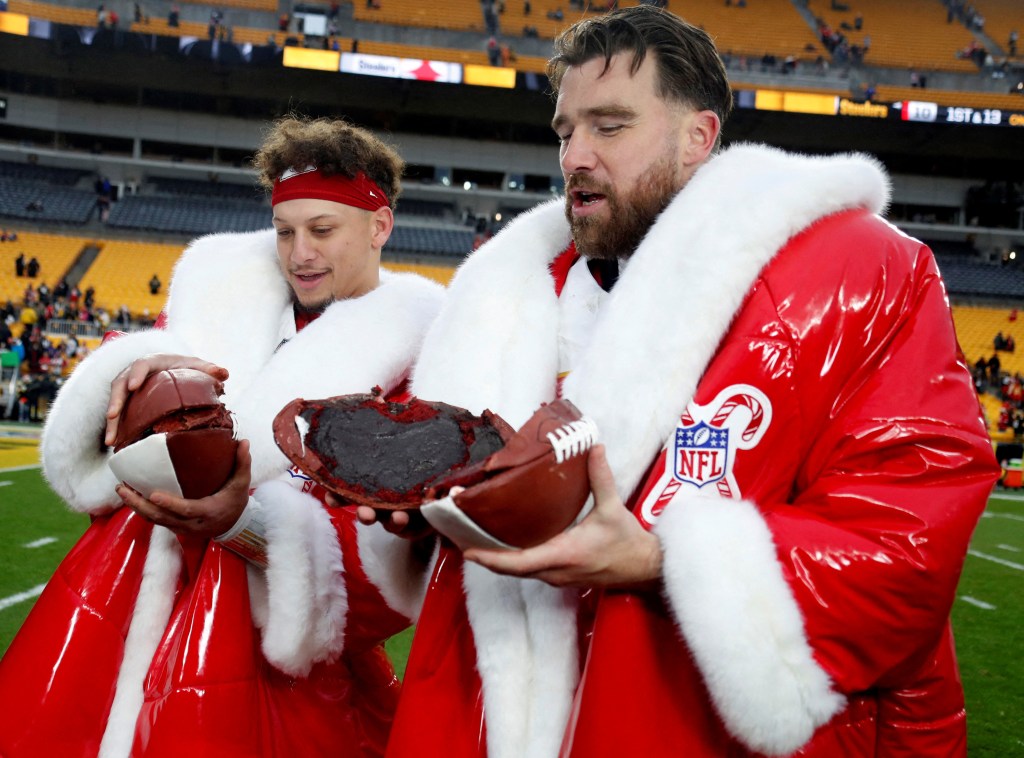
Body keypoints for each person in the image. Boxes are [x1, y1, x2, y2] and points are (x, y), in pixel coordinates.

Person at [383, 7, 999, 757]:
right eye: (564, 130)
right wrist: (420, 516)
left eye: (609, 126)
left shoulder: (853, 276)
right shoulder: (503, 298)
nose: (575, 155)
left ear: (698, 137)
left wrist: (664, 563)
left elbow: (908, 543)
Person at [0, 116, 444, 756]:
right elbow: (116, 421)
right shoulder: (212, 301)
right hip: (125, 589)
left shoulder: (420, 362)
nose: (300, 253)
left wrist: (245, 523)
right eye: (286, 231)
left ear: (380, 226)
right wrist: (137, 375)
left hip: (266, 642)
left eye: (322, 230)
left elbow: (390, 570)